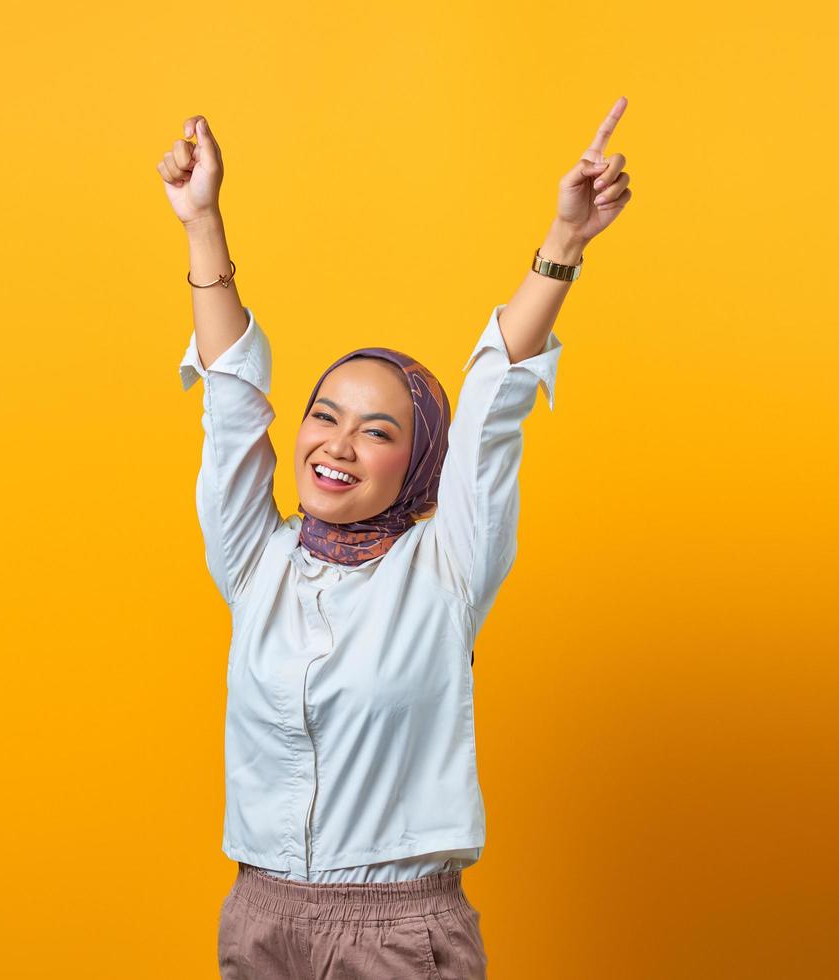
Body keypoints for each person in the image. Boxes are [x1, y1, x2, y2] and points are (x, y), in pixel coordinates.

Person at [157, 102, 633, 980]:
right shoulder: (256, 562)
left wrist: (566, 238)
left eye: (376, 431)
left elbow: (493, 403)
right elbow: (229, 408)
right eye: (324, 417)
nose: (337, 444)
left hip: (396, 936)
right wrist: (203, 223)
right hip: (258, 918)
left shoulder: (445, 569)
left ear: (418, 465)